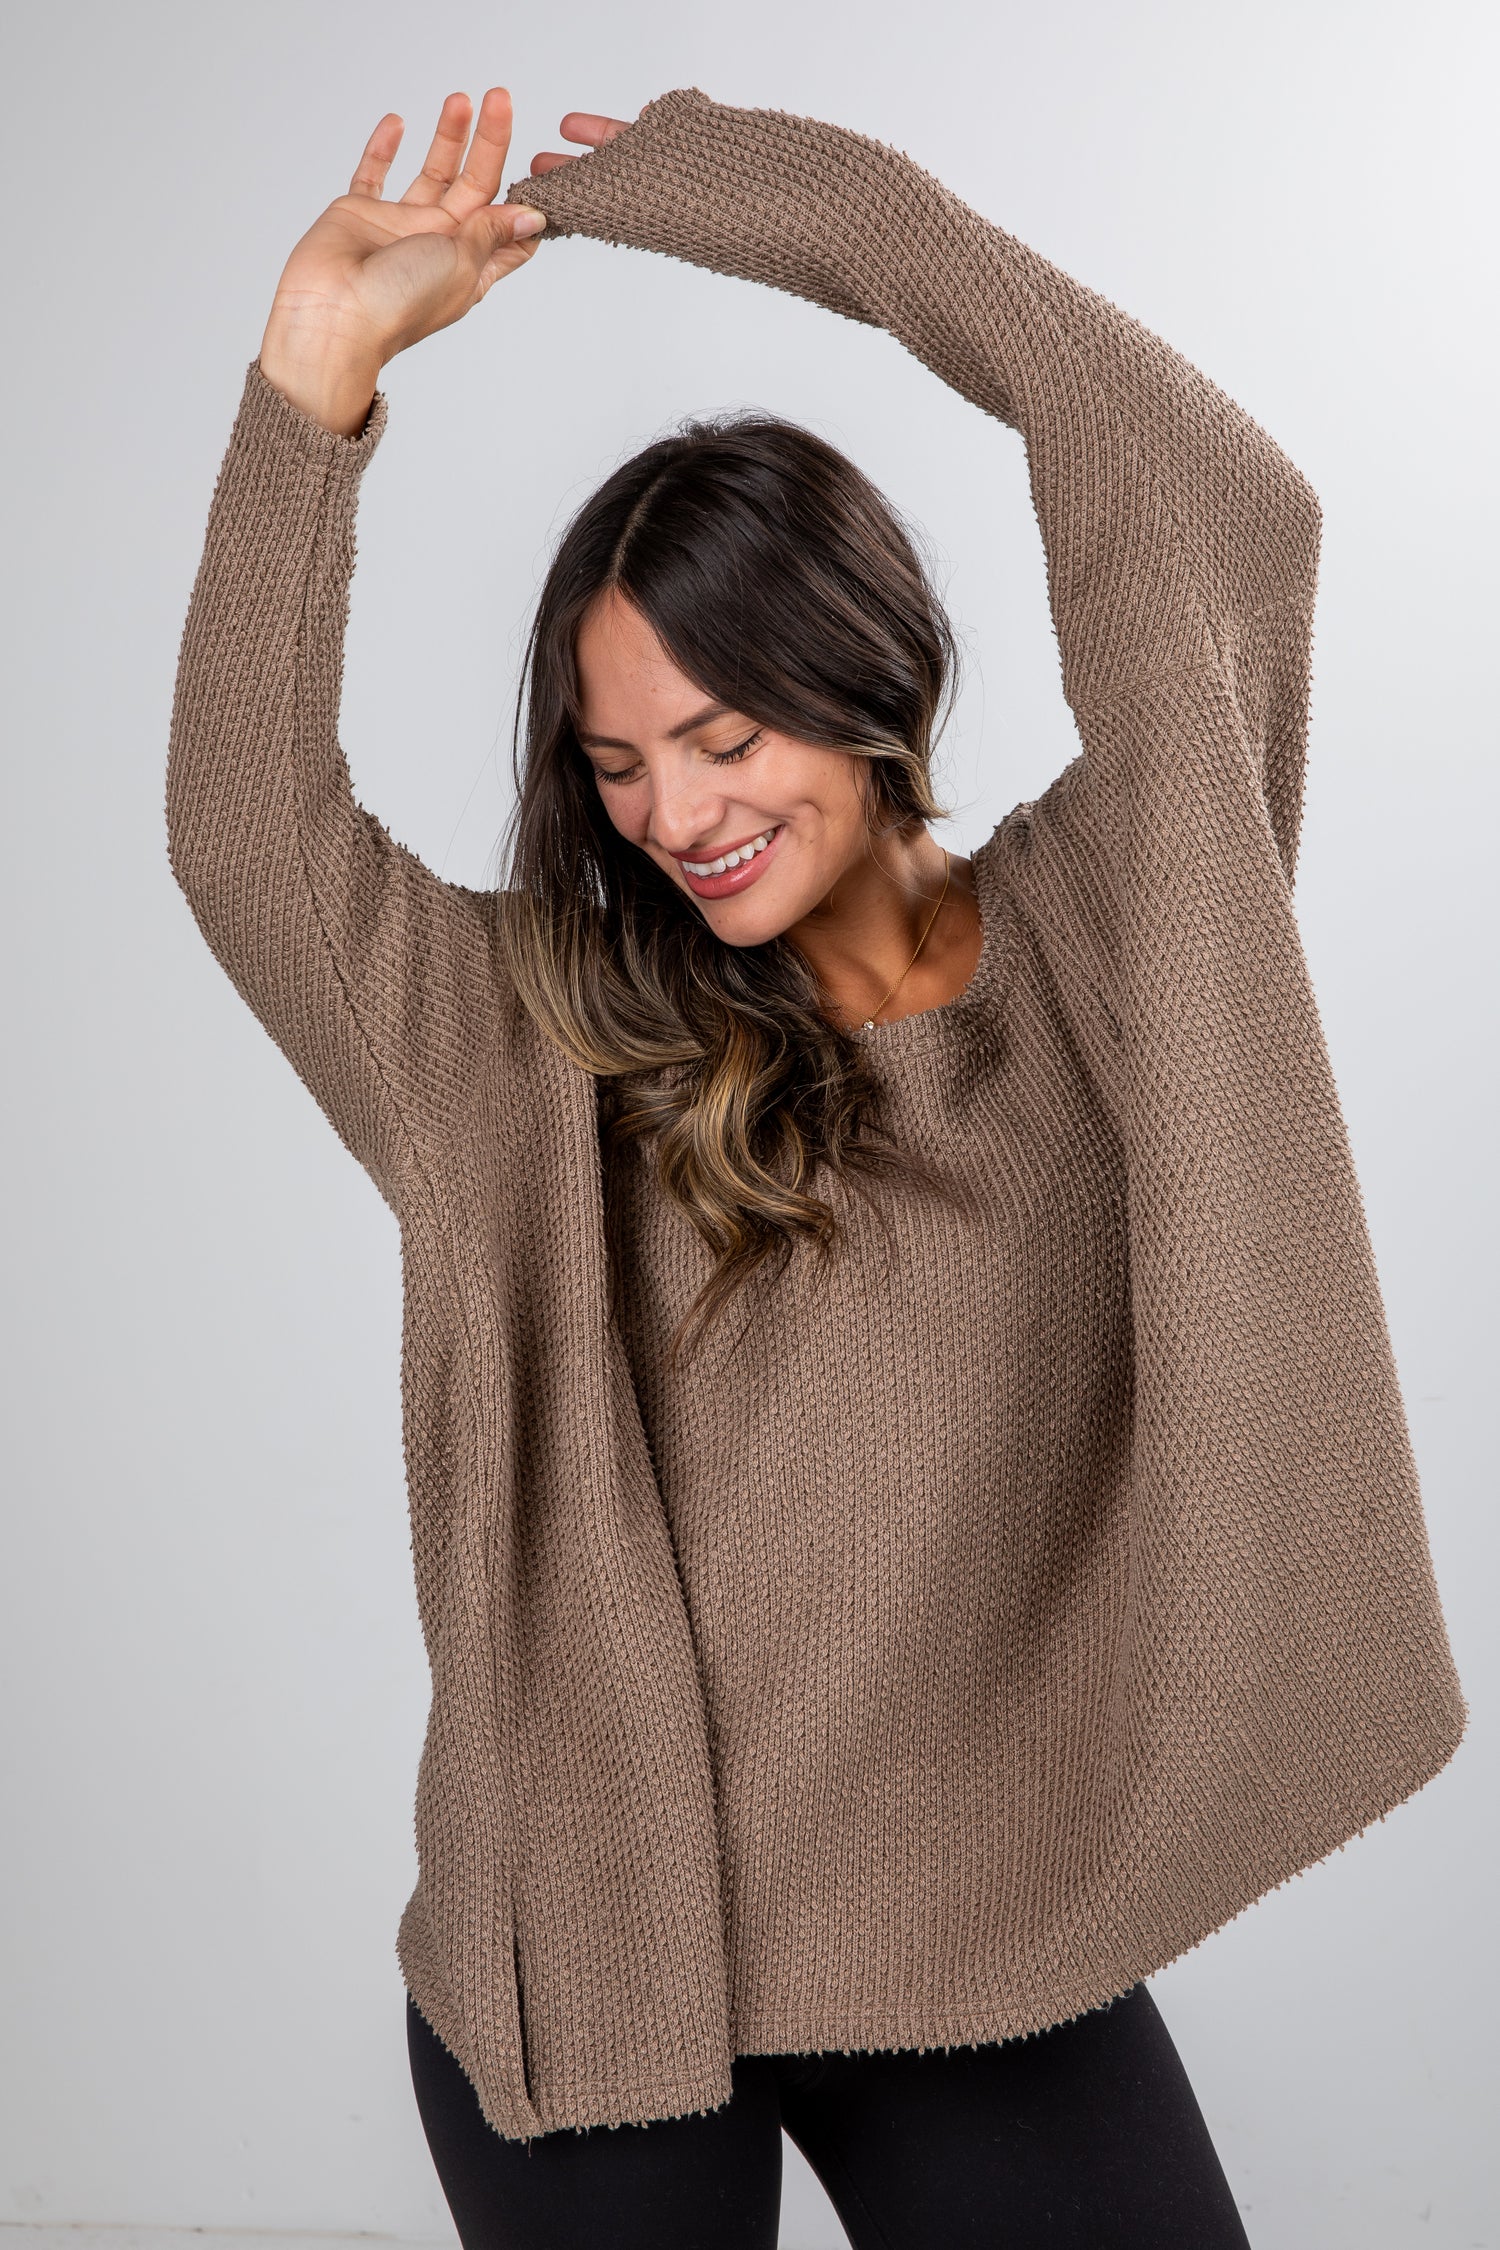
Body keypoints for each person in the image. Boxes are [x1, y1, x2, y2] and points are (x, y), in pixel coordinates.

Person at [165, 82, 1466, 2250]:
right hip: (596, 1958)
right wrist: (312, 385)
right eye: (617, 767)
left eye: (724, 736)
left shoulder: (1125, 941)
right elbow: (247, 842)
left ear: (860, 686)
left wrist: (775, 201)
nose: (675, 814)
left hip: (983, 1945)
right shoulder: (535, 1030)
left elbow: (1216, 509)